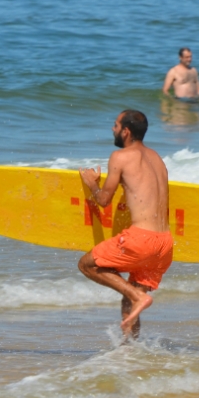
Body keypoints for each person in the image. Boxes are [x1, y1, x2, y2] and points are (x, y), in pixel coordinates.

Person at [78, 110, 174, 338]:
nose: (113, 129)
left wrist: (92, 184)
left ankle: (139, 297)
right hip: (165, 244)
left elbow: (103, 200)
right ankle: (131, 354)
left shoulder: (120, 157)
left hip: (141, 239)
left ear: (126, 131)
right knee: (129, 302)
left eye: (115, 125)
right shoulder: (157, 158)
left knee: (86, 265)